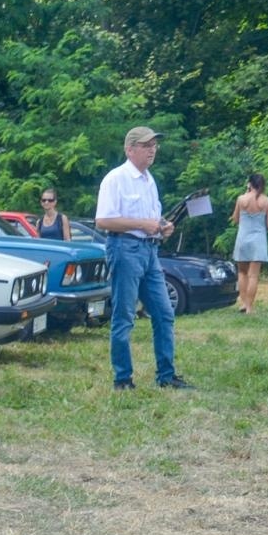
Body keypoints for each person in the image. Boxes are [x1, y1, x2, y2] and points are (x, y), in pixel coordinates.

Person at [95, 127, 193, 390]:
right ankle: (123, 379)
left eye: (154, 145)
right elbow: (103, 220)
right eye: (146, 145)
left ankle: (167, 376)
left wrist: (163, 226)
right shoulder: (115, 179)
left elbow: (152, 219)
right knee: (124, 315)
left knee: (164, 312)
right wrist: (143, 224)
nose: (152, 149)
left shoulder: (150, 180)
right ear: (130, 149)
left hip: (149, 251)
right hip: (124, 249)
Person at [229, 173, 268, 313]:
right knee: (253, 275)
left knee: (242, 272)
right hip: (258, 239)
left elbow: (235, 219)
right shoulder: (266, 201)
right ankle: (249, 307)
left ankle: (242, 303)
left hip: (242, 238)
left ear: (249, 184)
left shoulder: (241, 199)